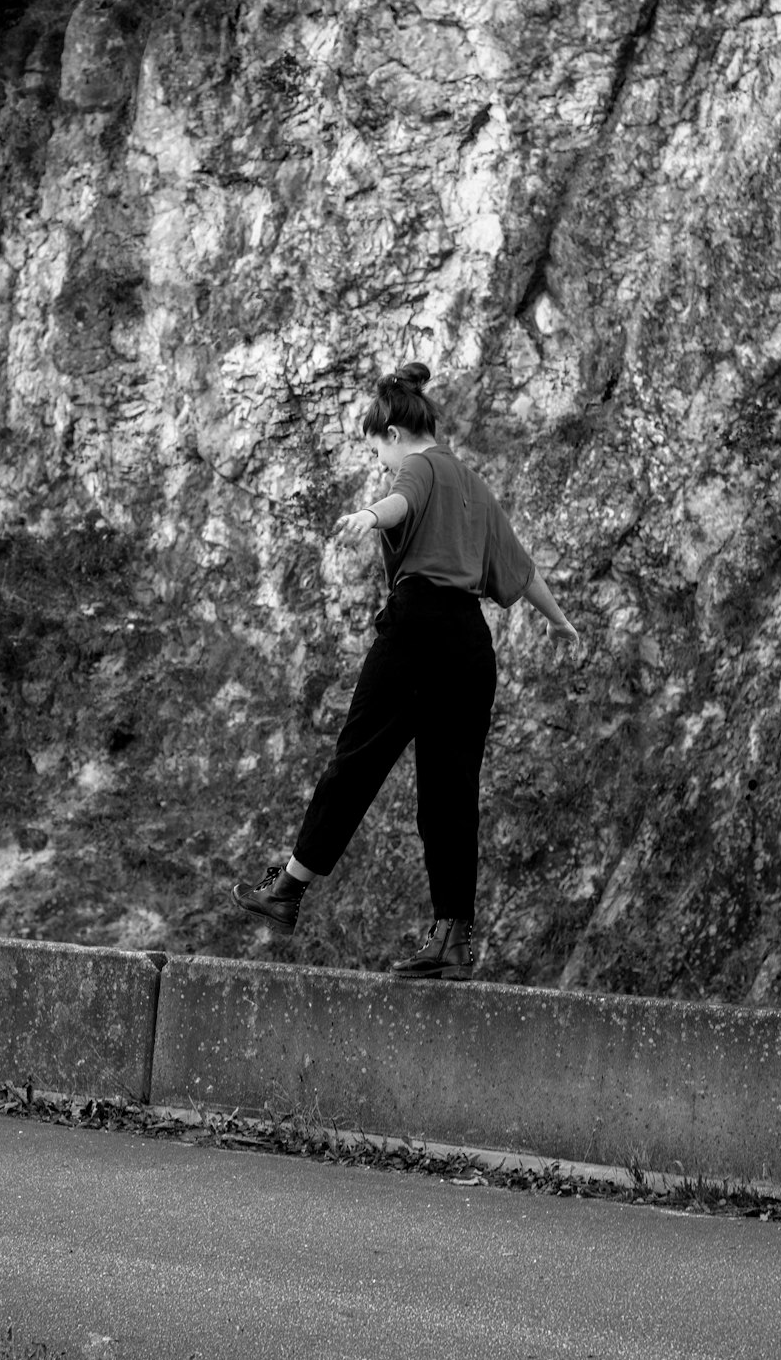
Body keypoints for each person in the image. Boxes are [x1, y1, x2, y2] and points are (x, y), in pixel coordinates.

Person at [232, 362, 580, 980]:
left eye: (377, 452)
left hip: (418, 629)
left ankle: (287, 889)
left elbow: (401, 499)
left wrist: (369, 516)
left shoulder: (419, 465)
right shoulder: (475, 483)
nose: (384, 465)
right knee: (450, 796)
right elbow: (521, 572)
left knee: (358, 759)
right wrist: (560, 622)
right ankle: (452, 938)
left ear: (393, 433)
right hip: (470, 647)